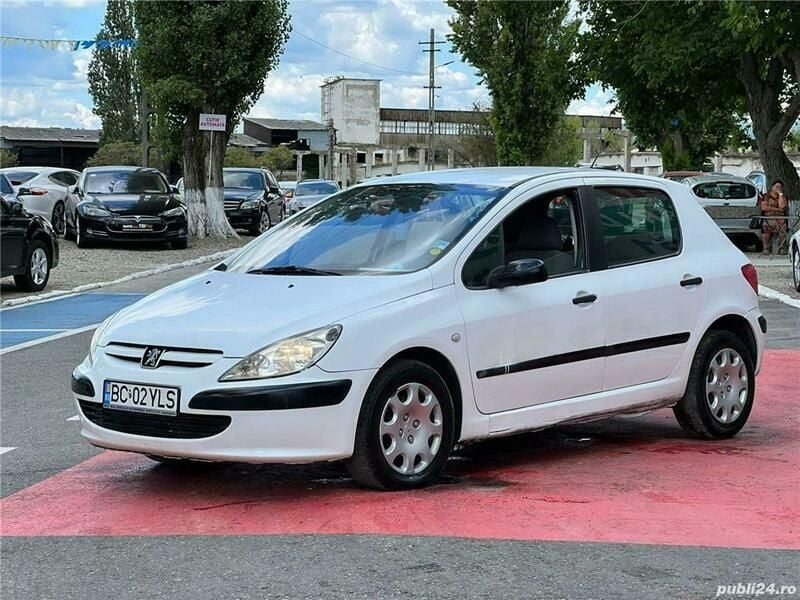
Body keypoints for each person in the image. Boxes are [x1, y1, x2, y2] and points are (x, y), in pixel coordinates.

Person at [760, 179, 788, 254]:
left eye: (780, 187)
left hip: (780, 219)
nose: (778, 188)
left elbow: (782, 207)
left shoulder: (783, 196)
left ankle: (781, 247)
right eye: (776, 186)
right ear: (772, 187)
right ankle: (765, 248)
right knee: (766, 227)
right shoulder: (766, 196)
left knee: (783, 228)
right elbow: (764, 208)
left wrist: (780, 195)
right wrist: (777, 209)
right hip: (768, 218)